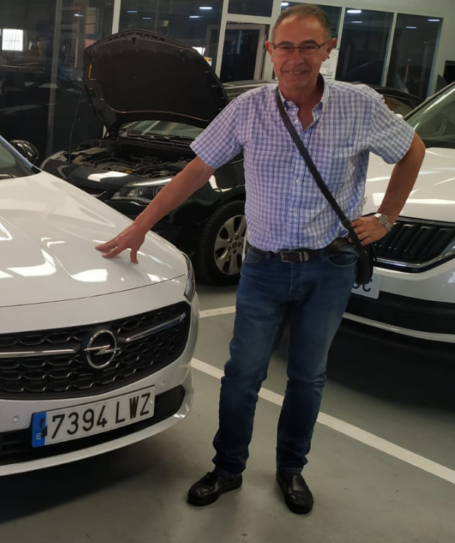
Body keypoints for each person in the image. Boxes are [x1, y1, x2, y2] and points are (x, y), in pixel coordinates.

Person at [95, 4, 424, 514]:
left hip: (330, 266)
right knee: (243, 374)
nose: (297, 57)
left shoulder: (359, 106)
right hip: (264, 267)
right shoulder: (248, 109)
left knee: (308, 377)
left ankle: (291, 469)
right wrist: (141, 224)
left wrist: (386, 218)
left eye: (309, 46)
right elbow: (196, 169)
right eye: (286, 47)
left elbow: (412, 150)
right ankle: (228, 468)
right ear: (271, 52)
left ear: (328, 49)